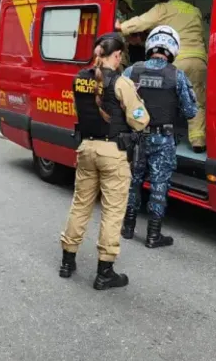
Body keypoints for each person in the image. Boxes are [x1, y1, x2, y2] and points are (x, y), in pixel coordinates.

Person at [59, 33, 150, 291]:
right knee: (112, 211)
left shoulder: (79, 79)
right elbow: (140, 120)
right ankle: (105, 272)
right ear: (118, 56)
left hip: (86, 148)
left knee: (80, 205)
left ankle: (67, 261)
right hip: (112, 153)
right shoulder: (121, 83)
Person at [121, 26, 198, 247]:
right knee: (159, 185)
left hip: (136, 137)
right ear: (172, 48)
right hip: (163, 139)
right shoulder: (177, 75)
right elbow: (191, 111)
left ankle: (128, 228)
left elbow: (119, 101)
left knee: (133, 182)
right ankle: (153, 235)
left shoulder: (132, 71)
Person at [117, 0, 208, 153]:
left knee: (167, 99)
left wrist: (121, 27)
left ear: (162, 0)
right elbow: (203, 35)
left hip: (178, 60)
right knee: (197, 100)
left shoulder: (163, 8)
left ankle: (167, 137)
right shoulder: (194, 10)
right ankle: (198, 141)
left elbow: (142, 21)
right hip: (198, 59)